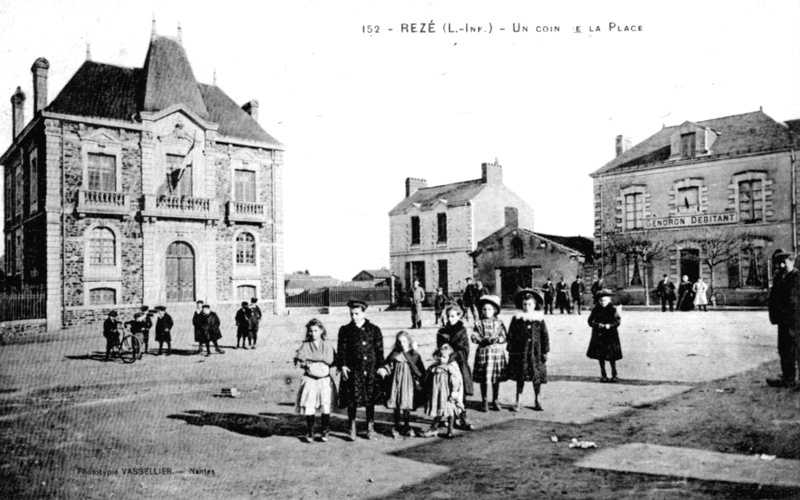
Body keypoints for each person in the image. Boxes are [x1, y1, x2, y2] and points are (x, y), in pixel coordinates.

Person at [337, 300, 385, 441]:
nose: (354, 317)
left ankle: (370, 427)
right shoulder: (345, 330)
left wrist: (381, 366)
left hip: (369, 370)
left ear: (364, 313)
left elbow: (379, 350)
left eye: (357, 314)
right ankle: (352, 427)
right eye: (352, 314)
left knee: (370, 399)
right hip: (353, 371)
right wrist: (343, 365)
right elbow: (342, 350)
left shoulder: (374, 329)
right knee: (352, 400)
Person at [294, 318, 337, 442]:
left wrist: (312, 358)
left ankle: (325, 430)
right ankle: (310, 431)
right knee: (309, 405)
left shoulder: (327, 344)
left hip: (324, 379)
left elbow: (330, 360)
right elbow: (300, 360)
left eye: (316, 330)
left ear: (322, 330)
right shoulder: (305, 345)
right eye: (311, 331)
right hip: (310, 379)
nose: (313, 333)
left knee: (325, 405)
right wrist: (315, 360)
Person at [377, 331, 426, 439]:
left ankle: (407, 425)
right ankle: (396, 425)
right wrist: (384, 370)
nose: (402, 343)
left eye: (404, 341)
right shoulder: (395, 354)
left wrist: (420, 380)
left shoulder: (414, 355)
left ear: (409, 341)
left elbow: (420, 370)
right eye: (399, 342)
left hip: (408, 384)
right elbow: (388, 365)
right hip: (396, 383)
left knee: (406, 404)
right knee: (396, 404)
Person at [507, 289, 549, 412]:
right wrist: (511, 349)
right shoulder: (517, 319)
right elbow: (511, 335)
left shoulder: (539, 319)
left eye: (530, 304)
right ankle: (518, 400)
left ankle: (538, 399)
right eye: (525, 304)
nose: (527, 307)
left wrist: (545, 351)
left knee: (536, 376)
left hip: (536, 353)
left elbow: (545, 336)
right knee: (521, 375)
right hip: (521, 352)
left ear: (535, 305)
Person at [436, 303, 475, 430]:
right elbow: (439, 348)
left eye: (453, 316)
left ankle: (462, 417)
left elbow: (464, 350)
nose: (450, 319)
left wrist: (452, 355)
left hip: (459, 364)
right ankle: (447, 416)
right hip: (445, 365)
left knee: (459, 391)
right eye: (448, 316)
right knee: (445, 391)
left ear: (459, 316)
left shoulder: (461, 331)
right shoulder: (442, 331)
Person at [767, 252, 800, 388]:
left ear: (792, 262)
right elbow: (774, 298)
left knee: (798, 348)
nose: (781, 266)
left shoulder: (798, 277)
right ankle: (788, 378)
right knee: (784, 349)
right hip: (783, 320)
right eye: (779, 263)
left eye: (784, 263)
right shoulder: (779, 277)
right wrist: (774, 316)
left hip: (796, 319)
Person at [471, 294, 507, 412]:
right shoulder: (478, 323)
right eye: (484, 309)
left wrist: (497, 339)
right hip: (483, 352)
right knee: (484, 378)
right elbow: (474, 336)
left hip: (496, 352)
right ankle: (484, 400)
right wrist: (481, 340)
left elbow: (504, 336)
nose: (487, 311)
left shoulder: (499, 323)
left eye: (490, 309)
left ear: (495, 310)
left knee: (495, 377)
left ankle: (495, 399)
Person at [422, 344, 464, 439]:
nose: (441, 359)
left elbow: (455, 381)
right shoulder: (435, 367)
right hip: (438, 394)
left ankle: (450, 429)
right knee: (439, 411)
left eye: (444, 357)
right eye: (440, 356)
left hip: (447, 394)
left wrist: (454, 392)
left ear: (450, 358)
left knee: (450, 411)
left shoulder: (450, 368)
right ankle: (433, 428)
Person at [586, 289, 623, 382]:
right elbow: (590, 321)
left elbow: (617, 321)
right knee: (601, 356)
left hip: (611, 335)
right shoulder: (595, 310)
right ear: (598, 301)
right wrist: (597, 325)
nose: (603, 302)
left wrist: (610, 325)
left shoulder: (612, 310)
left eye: (605, 300)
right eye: (601, 301)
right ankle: (603, 375)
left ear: (609, 300)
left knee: (612, 356)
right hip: (599, 335)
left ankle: (614, 374)